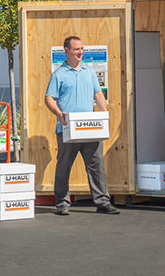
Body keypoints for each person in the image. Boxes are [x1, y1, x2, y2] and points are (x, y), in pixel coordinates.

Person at [45, 36, 119, 216]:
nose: (80, 52)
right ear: (67, 50)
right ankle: (62, 203)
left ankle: (102, 202)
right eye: (77, 49)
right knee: (63, 167)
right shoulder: (59, 74)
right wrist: (59, 114)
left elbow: (98, 94)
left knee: (96, 166)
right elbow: (49, 98)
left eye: (82, 49)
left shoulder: (89, 71)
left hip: (89, 128)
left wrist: (104, 113)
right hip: (67, 129)